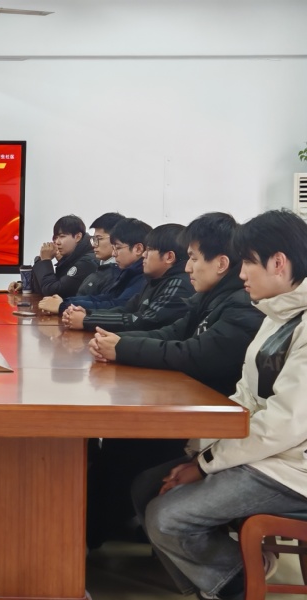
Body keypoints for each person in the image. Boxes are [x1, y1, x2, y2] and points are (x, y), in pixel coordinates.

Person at [135, 209, 307, 600]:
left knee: (167, 516)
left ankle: (237, 581)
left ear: (278, 263)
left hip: (293, 469)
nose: (241, 274)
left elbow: (283, 425)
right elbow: (245, 396)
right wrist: (201, 451)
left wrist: (204, 464)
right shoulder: (276, 313)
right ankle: (215, 579)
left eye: (248, 262)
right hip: (268, 454)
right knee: (149, 486)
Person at [84, 213, 265, 553]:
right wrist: (119, 343)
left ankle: (87, 533)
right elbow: (173, 333)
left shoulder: (243, 305)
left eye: (193, 258)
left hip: (213, 419)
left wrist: (123, 348)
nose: (188, 267)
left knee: (130, 450)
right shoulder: (214, 296)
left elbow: (196, 354)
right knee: (122, 446)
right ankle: (92, 529)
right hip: (198, 404)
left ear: (221, 263)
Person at [62, 223, 194, 332]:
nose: (144, 255)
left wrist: (87, 320)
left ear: (169, 257)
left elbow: (145, 321)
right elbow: (126, 309)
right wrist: (87, 313)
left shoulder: (179, 283)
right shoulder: (154, 280)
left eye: (149, 250)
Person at [40, 217, 149, 315]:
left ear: (138, 249)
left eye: (118, 248)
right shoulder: (128, 271)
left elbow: (117, 306)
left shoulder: (143, 277)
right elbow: (105, 298)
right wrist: (64, 303)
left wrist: (63, 306)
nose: (113, 253)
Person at [28, 214, 99, 298]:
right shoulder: (74, 256)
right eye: (55, 238)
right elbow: (47, 286)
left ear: (78, 237)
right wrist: (26, 286)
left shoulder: (87, 262)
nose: (57, 242)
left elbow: (54, 292)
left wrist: (45, 261)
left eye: (62, 236)